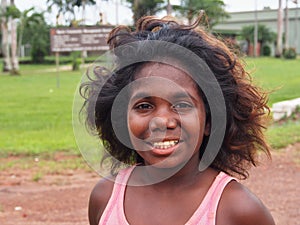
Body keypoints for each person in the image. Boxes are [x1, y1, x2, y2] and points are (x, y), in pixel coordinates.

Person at [81, 13, 275, 225]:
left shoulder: (238, 210)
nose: (162, 122)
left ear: (210, 121)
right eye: (144, 106)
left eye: (182, 105)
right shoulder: (105, 197)